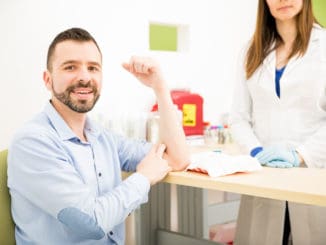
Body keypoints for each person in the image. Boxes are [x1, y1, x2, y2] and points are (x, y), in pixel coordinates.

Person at [7, 27, 190, 245]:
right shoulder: (33, 142)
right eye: (70, 67)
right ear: (48, 79)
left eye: (93, 68)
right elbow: (90, 222)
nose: (84, 77)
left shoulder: (102, 137)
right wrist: (143, 178)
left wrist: (159, 87)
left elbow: (176, 158)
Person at [229, 0, 326, 244]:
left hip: (313, 174)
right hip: (264, 177)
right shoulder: (251, 49)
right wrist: (257, 151)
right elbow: (239, 117)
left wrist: (300, 154)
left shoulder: (323, 46)